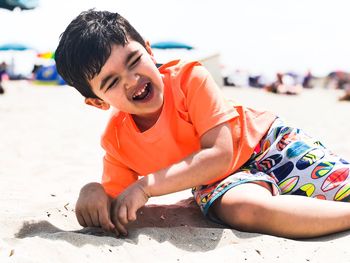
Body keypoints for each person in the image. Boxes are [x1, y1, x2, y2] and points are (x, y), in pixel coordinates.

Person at [55, 10, 350, 239]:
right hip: (215, 182)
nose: (132, 80)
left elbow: (219, 154)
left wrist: (146, 186)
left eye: (134, 61)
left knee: (341, 184)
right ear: (98, 102)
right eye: (112, 82)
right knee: (242, 210)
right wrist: (92, 191)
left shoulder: (188, 79)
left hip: (267, 144)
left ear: (149, 49)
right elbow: (119, 203)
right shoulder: (116, 140)